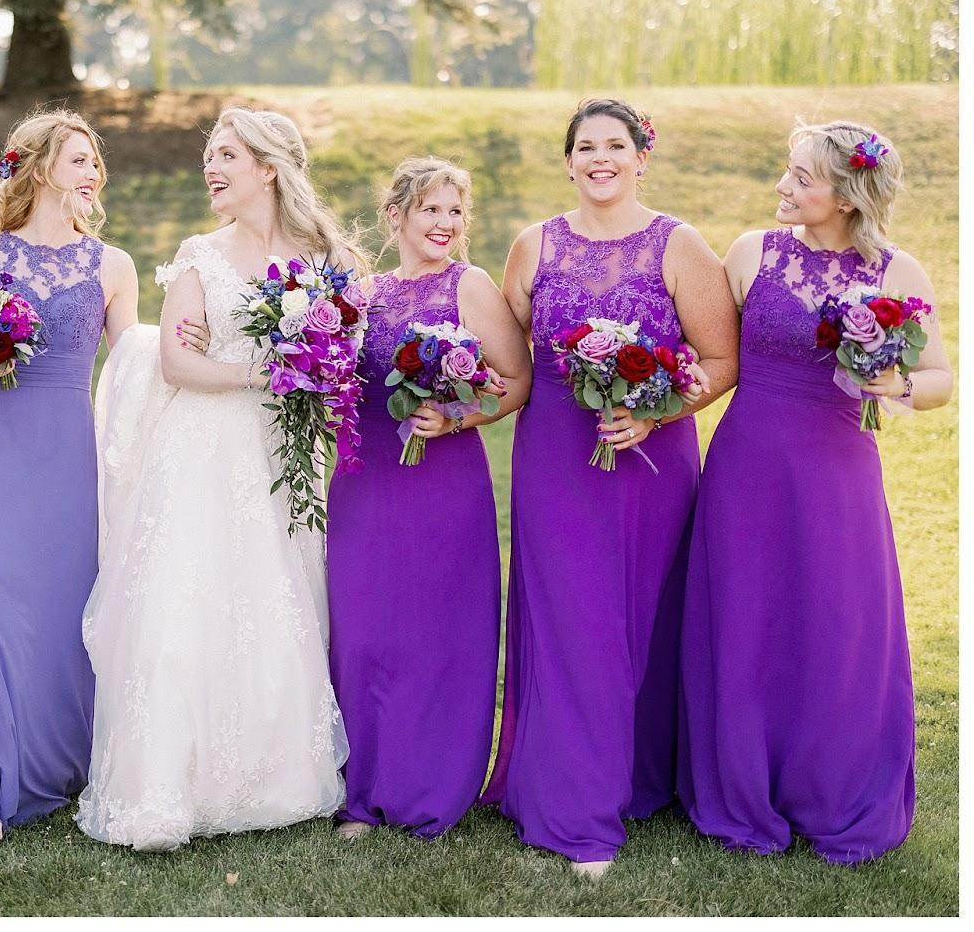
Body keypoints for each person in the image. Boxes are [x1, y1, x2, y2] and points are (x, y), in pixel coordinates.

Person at [75, 107, 359, 851]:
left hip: (282, 451)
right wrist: (267, 373)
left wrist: (316, 369)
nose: (211, 167)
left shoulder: (322, 258)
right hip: (202, 447)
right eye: (210, 155)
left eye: (227, 155)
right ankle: (170, 782)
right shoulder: (200, 253)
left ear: (268, 167)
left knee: (275, 595)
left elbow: (345, 349)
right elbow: (178, 363)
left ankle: (275, 777)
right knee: (190, 598)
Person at [678, 121, 950, 863]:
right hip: (746, 469)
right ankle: (742, 780)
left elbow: (939, 379)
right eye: (787, 171)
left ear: (848, 195)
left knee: (837, 622)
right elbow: (710, 352)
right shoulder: (749, 254)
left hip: (837, 475)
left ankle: (828, 787)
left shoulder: (897, 271)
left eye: (801, 178)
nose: (783, 186)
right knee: (746, 619)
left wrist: (896, 384)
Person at [483, 99, 735, 878]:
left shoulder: (679, 244)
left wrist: (656, 411)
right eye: (585, 146)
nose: (600, 158)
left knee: (642, 618)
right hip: (556, 460)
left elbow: (721, 360)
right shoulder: (532, 245)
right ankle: (578, 810)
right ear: (568, 162)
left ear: (640, 157)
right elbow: (510, 362)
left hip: (650, 461)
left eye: (615, 145)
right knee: (573, 621)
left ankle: (637, 777)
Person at [0, 110, 139, 846]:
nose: (93, 171)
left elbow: (131, 368)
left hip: (68, 455)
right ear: (41, 166)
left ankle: (56, 762)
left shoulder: (113, 265)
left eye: (94, 161)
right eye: (79, 158)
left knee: (62, 610)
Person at [325, 157, 529, 840]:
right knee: (363, 631)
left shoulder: (469, 285)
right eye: (431, 210)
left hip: (443, 483)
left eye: (455, 211)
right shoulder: (362, 293)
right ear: (396, 216)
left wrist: (456, 416)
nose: (446, 223)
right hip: (365, 480)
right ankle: (362, 790)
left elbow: (516, 378)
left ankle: (430, 784)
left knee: (435, 631)